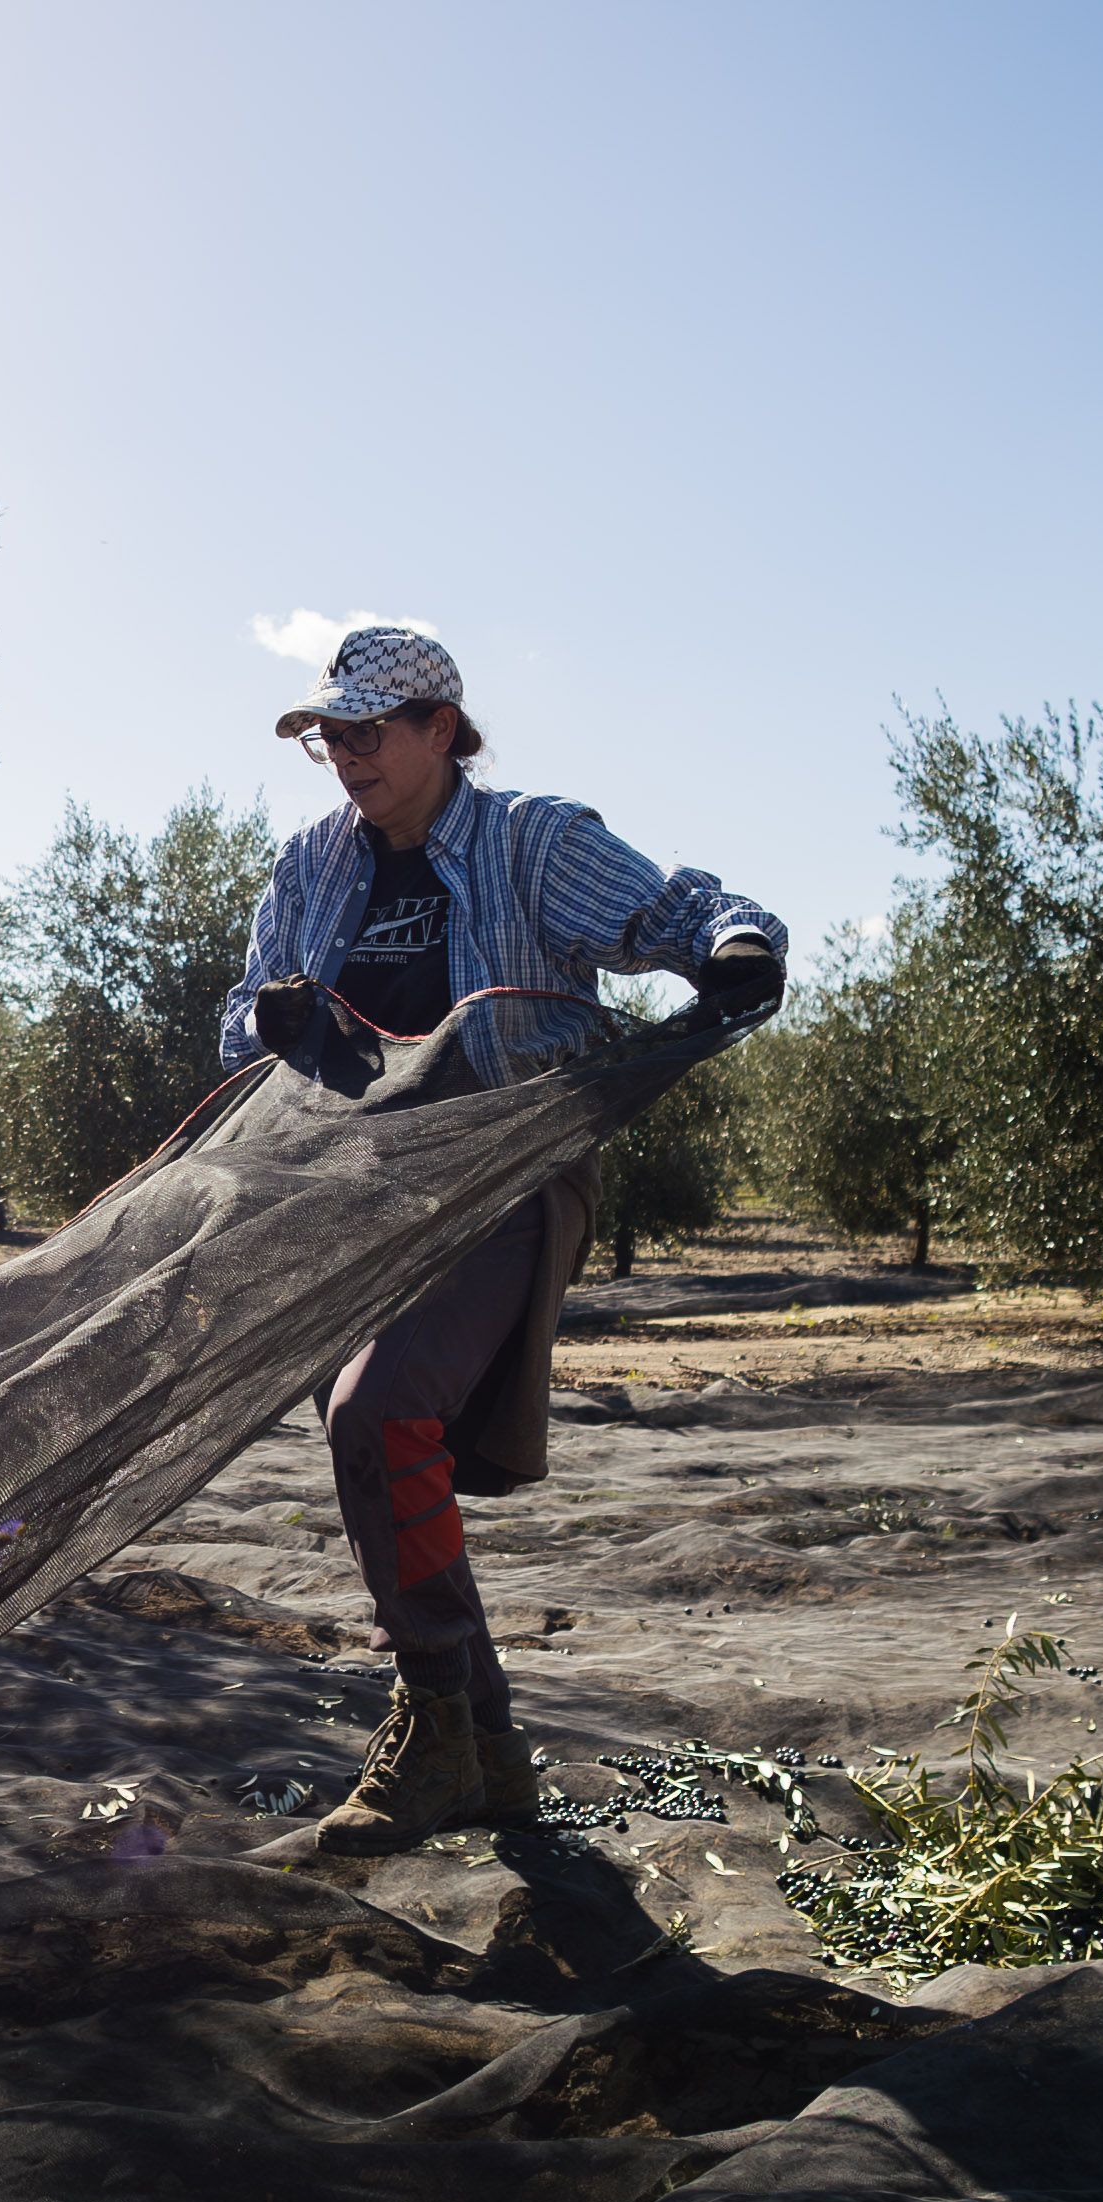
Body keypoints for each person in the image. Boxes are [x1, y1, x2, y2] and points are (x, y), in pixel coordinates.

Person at [218, 624, 785, 1854]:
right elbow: (240, 1019)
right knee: (381, 1449)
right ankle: (491, 1749)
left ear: (440, 728)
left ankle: (429, 1740)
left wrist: (739, 949)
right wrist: (270, 1015)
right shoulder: (314, 861)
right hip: (346, 1201)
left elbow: (684, 912)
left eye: (369, 732)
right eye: (329, 736)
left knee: (375, 1414)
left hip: (503, 1179)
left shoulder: (531, 840)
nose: (344, 756)